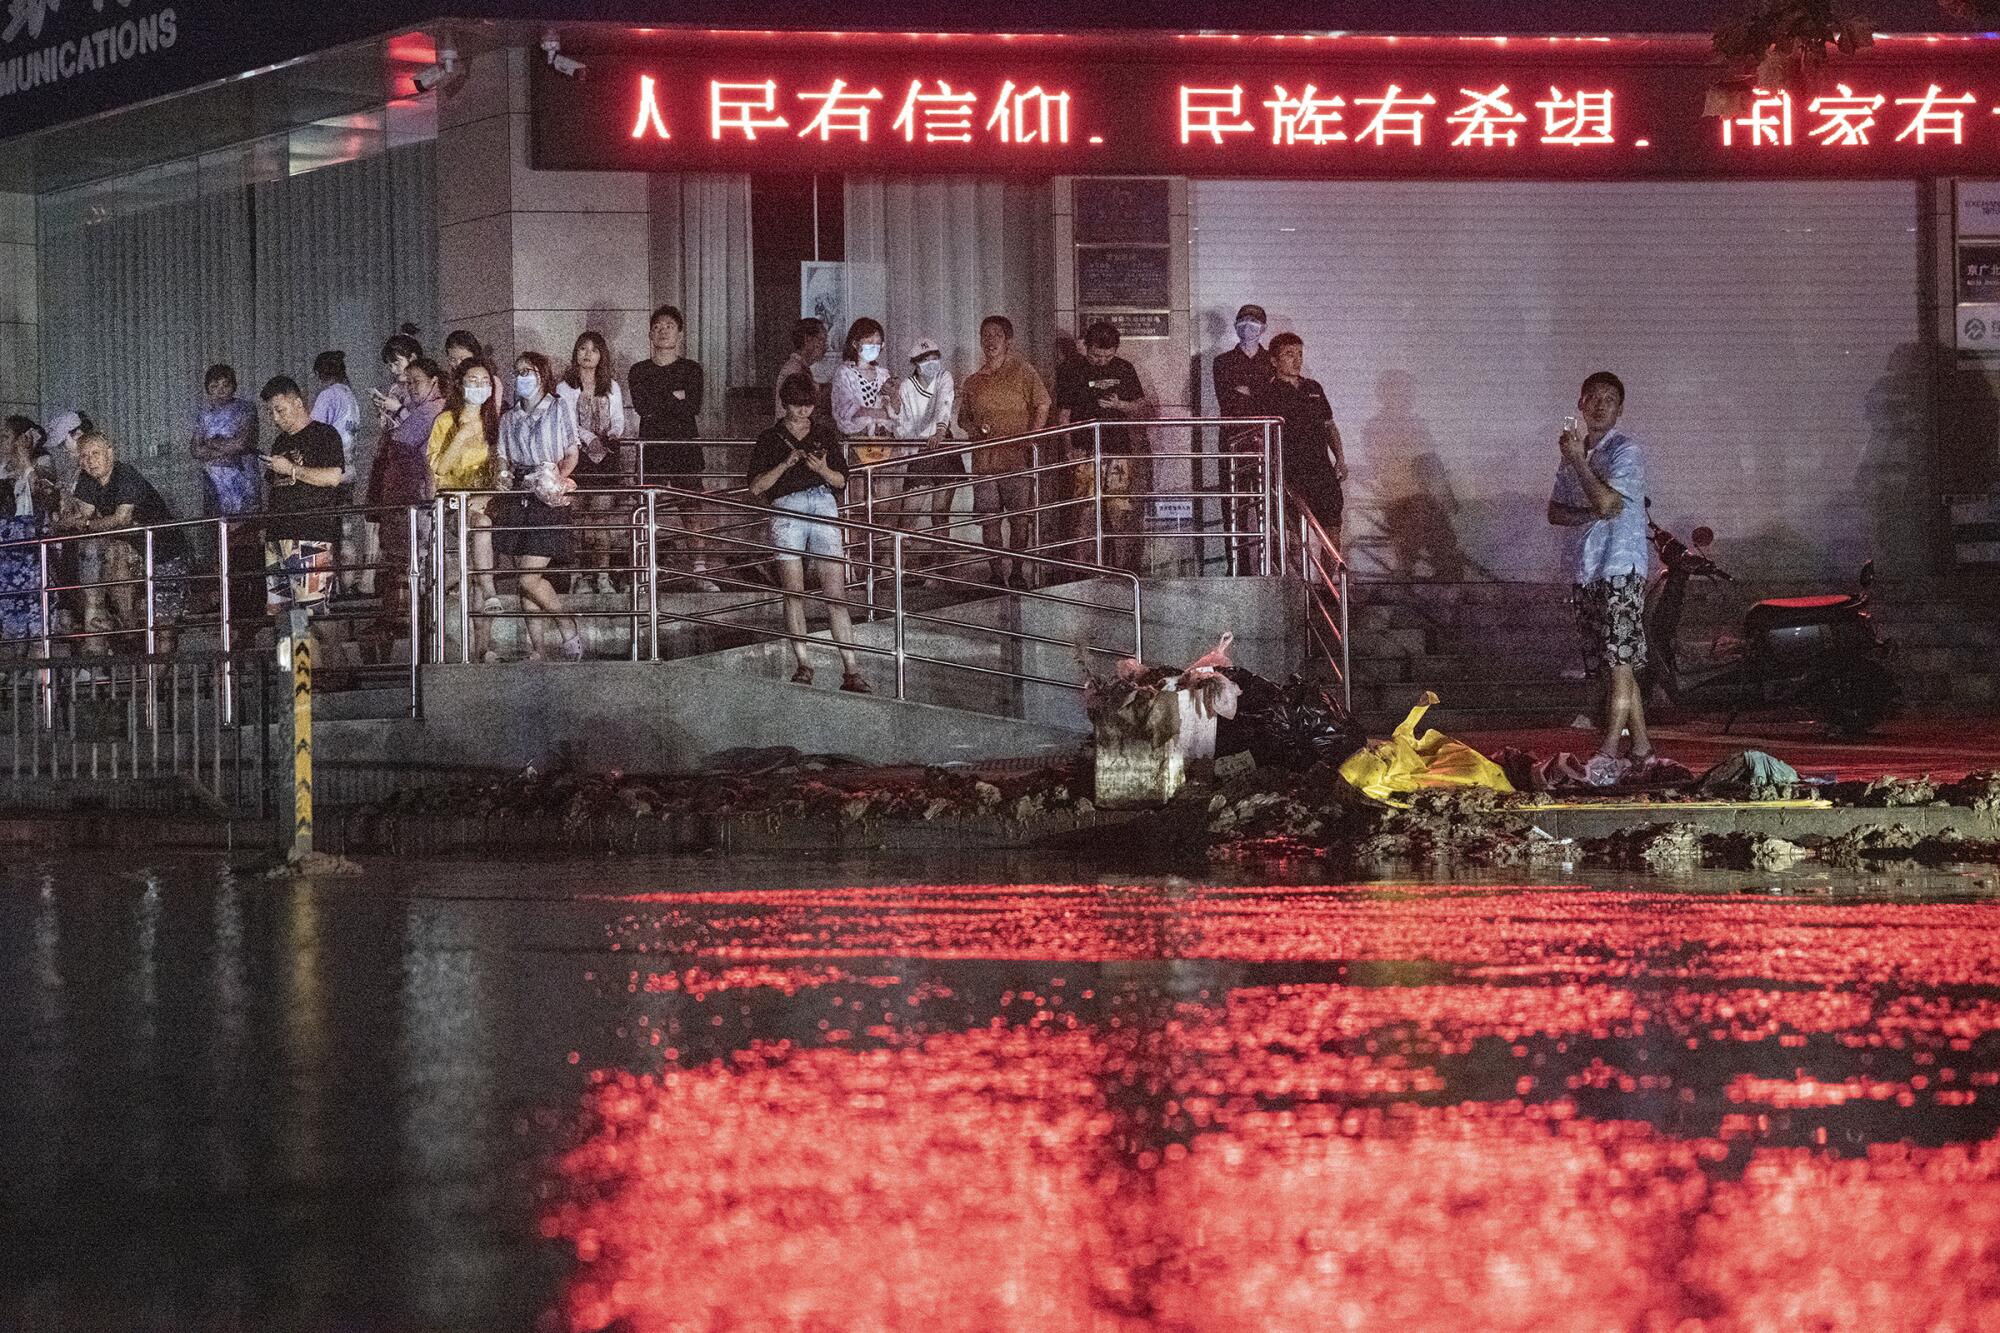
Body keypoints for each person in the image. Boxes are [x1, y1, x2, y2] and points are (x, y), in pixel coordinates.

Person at [1548, 370, 1653, 772]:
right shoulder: (1576, 455)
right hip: (1588, 568)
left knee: (1619, 661)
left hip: (1620, 565)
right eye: (1592, 397)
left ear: (1620, 410)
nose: (1600, 404)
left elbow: (1611, 505)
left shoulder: (1625, 450)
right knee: (1614, 661)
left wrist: (1577, 461)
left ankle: (1610, 746)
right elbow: (1555, 511)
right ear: (1580, 403)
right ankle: (1642, 747)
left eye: (1609, 399)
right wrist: (1589, 497)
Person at [747, 373, 869, 692]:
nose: (804, 412)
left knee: (835, 593)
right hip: (787, 507)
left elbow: (842, 480)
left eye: (808, 406)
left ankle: (852, 670)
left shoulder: (824, 433)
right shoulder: (770, 438)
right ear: (785, 405)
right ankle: (803, 663)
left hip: (822, 500)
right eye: (797, 406)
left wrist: (822, 470)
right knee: (793, 592)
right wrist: (786, 464)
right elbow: (757, 485)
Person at [63, 432, 189, 655]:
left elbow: (121, 519)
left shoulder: (126, 475)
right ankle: (129, 631)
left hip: (165, 551)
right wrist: (77, 521)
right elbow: (82, 516)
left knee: (165, 627)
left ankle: (159, 683)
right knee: (112, 558)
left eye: (96, 454)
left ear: (110, 453)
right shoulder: (86, 480)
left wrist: (86, 523)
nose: (90, 461)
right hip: (134, 551)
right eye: (84, 456)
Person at [496, 352, 585, 662]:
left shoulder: (558, 407)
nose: (523, 377)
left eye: (530, 371)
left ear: (542, 375)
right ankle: (538, 648)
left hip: (548, 496)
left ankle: (567, 623)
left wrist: (556, 478)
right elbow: (504, 458)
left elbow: (571, 452)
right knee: (524, 580)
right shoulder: (508, 417)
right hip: (519, 497)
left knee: (529, 576)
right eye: (519, 371)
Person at [957, 314, 1051, 589]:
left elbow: (1043, 404)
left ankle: (1018, 571)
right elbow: (964, 419)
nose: (990, 341)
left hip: (1016, 458)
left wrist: (1032, 437)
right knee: (989, 519)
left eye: (997, 335)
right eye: (985, 335)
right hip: (985, 460)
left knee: (1019, 519)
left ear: (1008, 340)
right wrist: (977, 429)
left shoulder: (1023, 371)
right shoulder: (973, 381)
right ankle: (996, 573)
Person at [363, 355, 447, 660]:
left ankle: (413, 633)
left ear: (435, 381)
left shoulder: (434, 411)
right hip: (400, 499)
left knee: (412, 566)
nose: (410, 387)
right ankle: (400, 627)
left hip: (416, 500)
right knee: (398, 565)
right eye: (407, 382)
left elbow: (423, 459)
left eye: (417, 382)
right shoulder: (418, 412)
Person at [628, 305, 715, 588]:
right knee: (647, 509)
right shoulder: (638, 370)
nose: (663, 330)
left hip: (684, 447)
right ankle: (645, 569)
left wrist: (664, 398)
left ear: (680, 333)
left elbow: (692, 405)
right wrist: (673, 396)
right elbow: (643, 407)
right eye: (658, 326)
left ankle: (699, 571)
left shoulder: (692, 369)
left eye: (669, 325)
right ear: (650, 334)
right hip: (652, 448)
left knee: (692, 509)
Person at [259, 376, 348, 652]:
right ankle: (297, 687)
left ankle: (335, 680)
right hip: (279, 536)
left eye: (280, 410)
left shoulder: (324, 435)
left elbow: (333, 477)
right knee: (284, 620)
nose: (275, 418)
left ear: (298, 403)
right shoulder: (278, 443)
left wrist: (292, 470)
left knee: (315, 617)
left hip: (311, 535)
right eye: (271, 412)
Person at [1055, 321, 1151, 572]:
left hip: (1118, 449)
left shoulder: (1124, 369)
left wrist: (1120, 405)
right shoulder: (1070, 369)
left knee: (1119, 512)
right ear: (1085, 347)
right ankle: (1083, 571)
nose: (1102, 361)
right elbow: (1063, 413)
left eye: (1108, 355)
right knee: (1084, 512)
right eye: (1096, 355)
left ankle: (1121, 570)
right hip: (1084, 449)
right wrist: (1068, 447)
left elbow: (1141, 405)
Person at [428, 358, 502, 659]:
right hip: (452, 505)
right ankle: (490, 589)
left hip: (484, 502)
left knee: (482, 527)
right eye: (473, 380)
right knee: (476, 535)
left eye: (485, 381)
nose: (479, 386)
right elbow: (438, 468)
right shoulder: (446, 421)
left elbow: (499, 467)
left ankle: (483, 647)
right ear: (460, 384)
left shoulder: (493, 420)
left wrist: (486, 496)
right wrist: (460, 437)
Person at [1251, 332, 1347, 547]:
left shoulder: (1313, 388)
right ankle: (1298, 581)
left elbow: (1329, 425)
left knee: (1332, 529)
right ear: (1274, 360)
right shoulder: (1267, 392)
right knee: (1294, 536)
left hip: (1321, 470)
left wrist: (1340, 458)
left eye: (1300, 354)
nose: (1297, 360)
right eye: (1289, 354)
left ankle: (1327, 581)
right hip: (1291, 472)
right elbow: (1258, 436)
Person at [558, 331, 629, 595]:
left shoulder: (611, 385)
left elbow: (619, 419)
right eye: (583, 349)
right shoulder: (565, 387)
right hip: (577, 457)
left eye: (594, 350)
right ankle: (579, 576)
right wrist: (588, 438)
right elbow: (567, 422)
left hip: (605, 459)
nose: (588, 354)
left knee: (602, 517)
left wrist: (612, 434)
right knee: (576, 517)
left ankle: (602, 575)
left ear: (602, 355)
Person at [1213, 304, 1273, 573]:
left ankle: (1268, 565)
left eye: (1254, 321)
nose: (1248, 325)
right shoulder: (1222, 361)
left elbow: (1273, 400)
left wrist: (1249, 391)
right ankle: (1236, 566)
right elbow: (1227, 399)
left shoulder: (1272, 360)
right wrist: (1258, 392)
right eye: (1243, 320)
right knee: (1234, 506)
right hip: (1232, 440)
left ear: (1264, 327)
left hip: (1267, 442)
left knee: (1268, 506)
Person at [893, 336, 960, 562]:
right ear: (915, 363)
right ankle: (902, 566)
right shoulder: (906, 387)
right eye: (925, 359)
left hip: (942, 446)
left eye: (934, 358)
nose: (931, 363)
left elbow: (945, 403)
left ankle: (939, 564)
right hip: (920, 450)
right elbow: (903, 423)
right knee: (909, 514)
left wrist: (940, 431)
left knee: (940, 514)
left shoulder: (944, 377)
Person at [311, 350, 366, 594]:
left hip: (331, 471)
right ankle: (349, 582)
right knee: (345, 529)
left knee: (328, 530)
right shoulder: (351, 397)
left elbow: (314, 431)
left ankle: (333, 586)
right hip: (349, 469)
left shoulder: (328, 396)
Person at [0, 417, 56, 650]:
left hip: (30, 554)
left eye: (5, 438)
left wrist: (24, 458)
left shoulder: (42, 463)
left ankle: (42, 683)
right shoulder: (2, 469)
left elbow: (43, 489)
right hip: (5, 557)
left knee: (36, 626)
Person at [774, 317, 830, 420]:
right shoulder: (793, 370)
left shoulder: (800, 367)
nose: (826, 346)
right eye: (822, 340)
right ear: (807, 339)